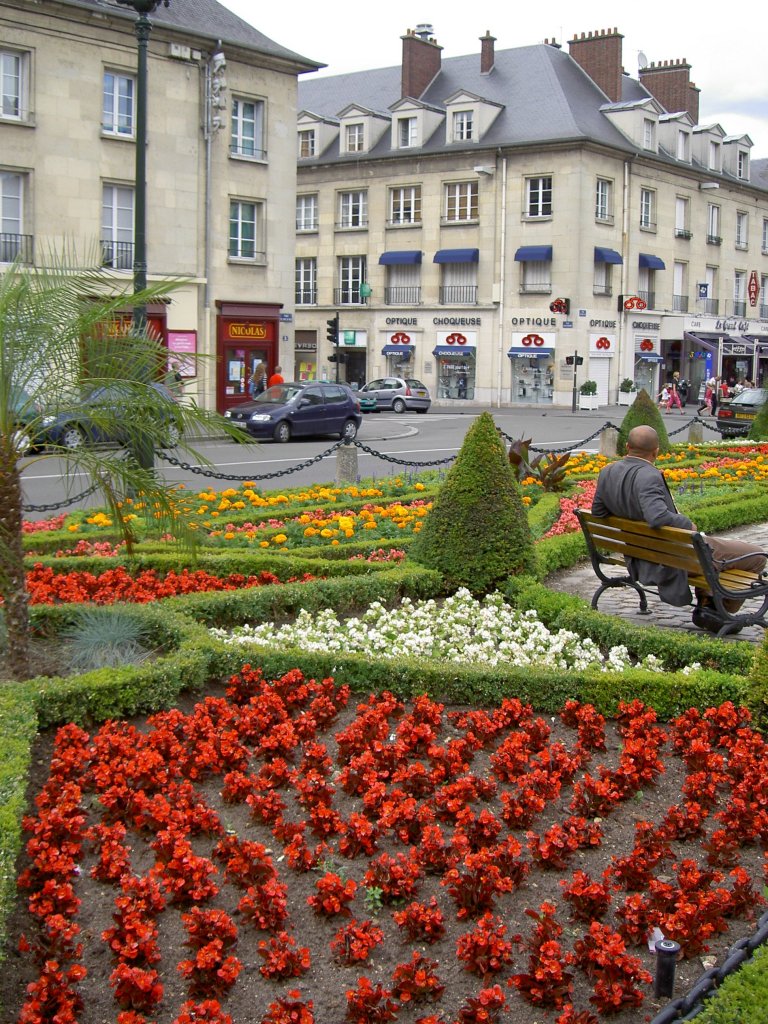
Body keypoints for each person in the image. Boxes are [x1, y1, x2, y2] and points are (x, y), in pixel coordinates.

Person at [592, 425, 766, 632]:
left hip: (642, 552)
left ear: (627, 446)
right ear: (656, 451)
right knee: (757, 556)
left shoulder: (607, 472)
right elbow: (656, 517)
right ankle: (718, 611)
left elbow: (598, 512)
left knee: (712, 551)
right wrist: (686, 523)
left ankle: (708, 604)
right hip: (672, 555)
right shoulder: (649, 475)